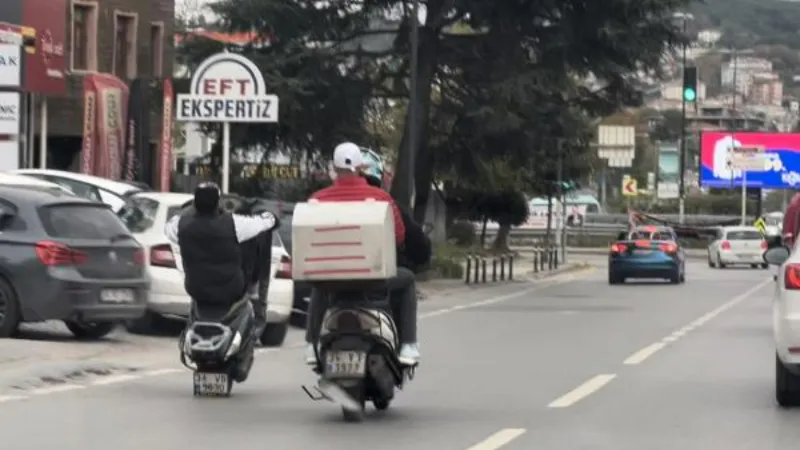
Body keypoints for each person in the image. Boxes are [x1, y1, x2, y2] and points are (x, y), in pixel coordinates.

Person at [304, 142, 424, 366]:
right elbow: (398, 237)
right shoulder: (380, 198)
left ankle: (311, 345)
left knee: (317, 285)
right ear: (361, 166)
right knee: (407, 280)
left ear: (334, 168)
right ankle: (408, 345)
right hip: (374, 281)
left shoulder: (317, 200)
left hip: (331, 283)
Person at [164, 183, 279, 328]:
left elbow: (169, 226)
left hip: (197, 290)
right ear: (217, 203)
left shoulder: (180, 225)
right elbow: (265, 222)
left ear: (195, 202)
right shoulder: (234, 224)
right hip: (231, 290)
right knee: (248, 308)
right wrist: (269, 213)